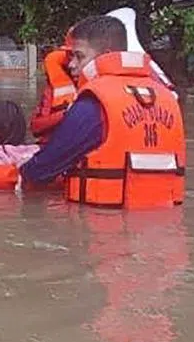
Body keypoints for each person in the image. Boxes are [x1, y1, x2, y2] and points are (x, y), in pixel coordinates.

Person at [19, 15, 185, 207]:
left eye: (79, 56)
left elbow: (41, 171)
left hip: (103, 226)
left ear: (106, 55)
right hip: (164, 223)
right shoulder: (166, 98)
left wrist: (20, 173)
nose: (72, 64)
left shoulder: (93, 104)